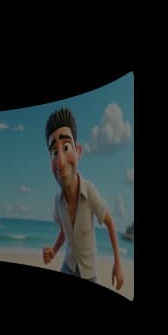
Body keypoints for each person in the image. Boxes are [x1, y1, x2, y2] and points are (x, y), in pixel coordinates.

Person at [42, 107, 124, 291]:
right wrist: (54, 251)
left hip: (89, 272)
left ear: (78, 151)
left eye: (66, 147)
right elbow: (64, 231)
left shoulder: (90, 191)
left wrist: (118, 263)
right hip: (68, 265)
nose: (61, 162)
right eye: (54, 152)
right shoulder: (57, 201)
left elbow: (110, 223)